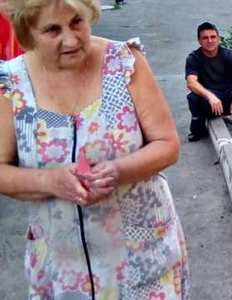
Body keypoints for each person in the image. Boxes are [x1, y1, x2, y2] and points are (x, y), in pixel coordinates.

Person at [0, 0, 188, 298]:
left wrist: (118, 170)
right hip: (61, 273)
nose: (71, 39)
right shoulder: (11, 83)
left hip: (143, 263)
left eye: (77, 22)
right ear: (28, 32)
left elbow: (167, 144)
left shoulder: (123, 62)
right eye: (52, 30)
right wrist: (50, 181)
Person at [184, 21, 232, 142]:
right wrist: (210, 96)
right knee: (193, 97)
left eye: (213, 37)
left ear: (218, 38)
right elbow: (191, 82)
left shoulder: (228, 54)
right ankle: (198, 129)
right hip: (209, 101)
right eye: (205, 38)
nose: (210, 41)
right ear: (199, 41)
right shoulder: (194, 58)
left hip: (229, 97)